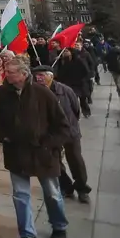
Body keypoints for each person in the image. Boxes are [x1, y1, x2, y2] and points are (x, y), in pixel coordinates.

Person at [0, 56, 71, 238]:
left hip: (43, 154)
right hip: (16, 152)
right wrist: (3, 135)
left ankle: (59, 226)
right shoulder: (2, 93)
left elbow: (62, 125)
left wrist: (49, 144)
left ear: (23, 74)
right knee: (20, 195)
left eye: (10, 72)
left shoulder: (42, 93)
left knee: (52, 193)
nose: (6, 75)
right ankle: (27, 236)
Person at [33, 66, 91, 204]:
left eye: (42, 75)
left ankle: (82, 188)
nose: (38, 78)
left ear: (51, 76)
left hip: (70, 131)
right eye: (37, 75)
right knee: (55, 160)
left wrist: (70, 125)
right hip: (51, 133)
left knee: (75, 159)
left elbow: (75, 109)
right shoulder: (35, 91)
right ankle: (66, 186)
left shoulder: (65, 90)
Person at [54, 47, 91, 118]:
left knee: (82, 99)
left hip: (79, 84)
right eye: (64, 51)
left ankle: (86, 111)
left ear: (71, 52)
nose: (65, 53)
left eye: (67, 51)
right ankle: (75, 114)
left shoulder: (78, 60)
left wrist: (82, 78)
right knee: (73, 100)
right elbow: (60, 72)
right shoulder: (62, 61)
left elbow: (85, 71)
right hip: (68, 84)